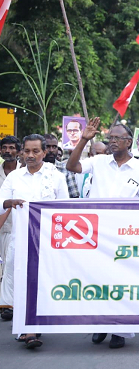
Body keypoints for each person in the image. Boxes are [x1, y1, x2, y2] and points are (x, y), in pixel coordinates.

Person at [67, 117, 139, 349]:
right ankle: (100, 324)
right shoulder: (99, 162)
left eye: (117, 138)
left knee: (122, 282)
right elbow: (72, 166)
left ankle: (120, 330)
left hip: (125, 234)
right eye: (110, 138)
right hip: (97, 232)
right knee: (97, 279)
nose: (112, 142)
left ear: (129, 141)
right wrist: (83, 140)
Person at [0, 134, 68, 349]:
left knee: (40, 283)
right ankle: (26, 328)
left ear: (44, 153)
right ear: (22, 153)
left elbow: (65, 209)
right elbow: (0, 204)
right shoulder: (15, 178)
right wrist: (9, 203)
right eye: (27, 151)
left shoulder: (55, 176)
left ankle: (32, 329)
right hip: (19, 239)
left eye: (35, 151)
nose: (30, 155)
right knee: (22, 283)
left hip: (46, 240)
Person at [0, 136, 20, 321]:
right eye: (4, 147)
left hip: (18, 228)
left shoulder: (23, 172)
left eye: (12, 147)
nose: (8, 151)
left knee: (12, 267)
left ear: (18, 151)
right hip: (2, 229)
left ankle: (10, 305)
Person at [44, 134, 80, 198]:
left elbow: (74, 196)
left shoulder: (65, 168)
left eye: (54, 147)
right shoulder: (34, 168)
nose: (51, 150)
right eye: (48, 147)